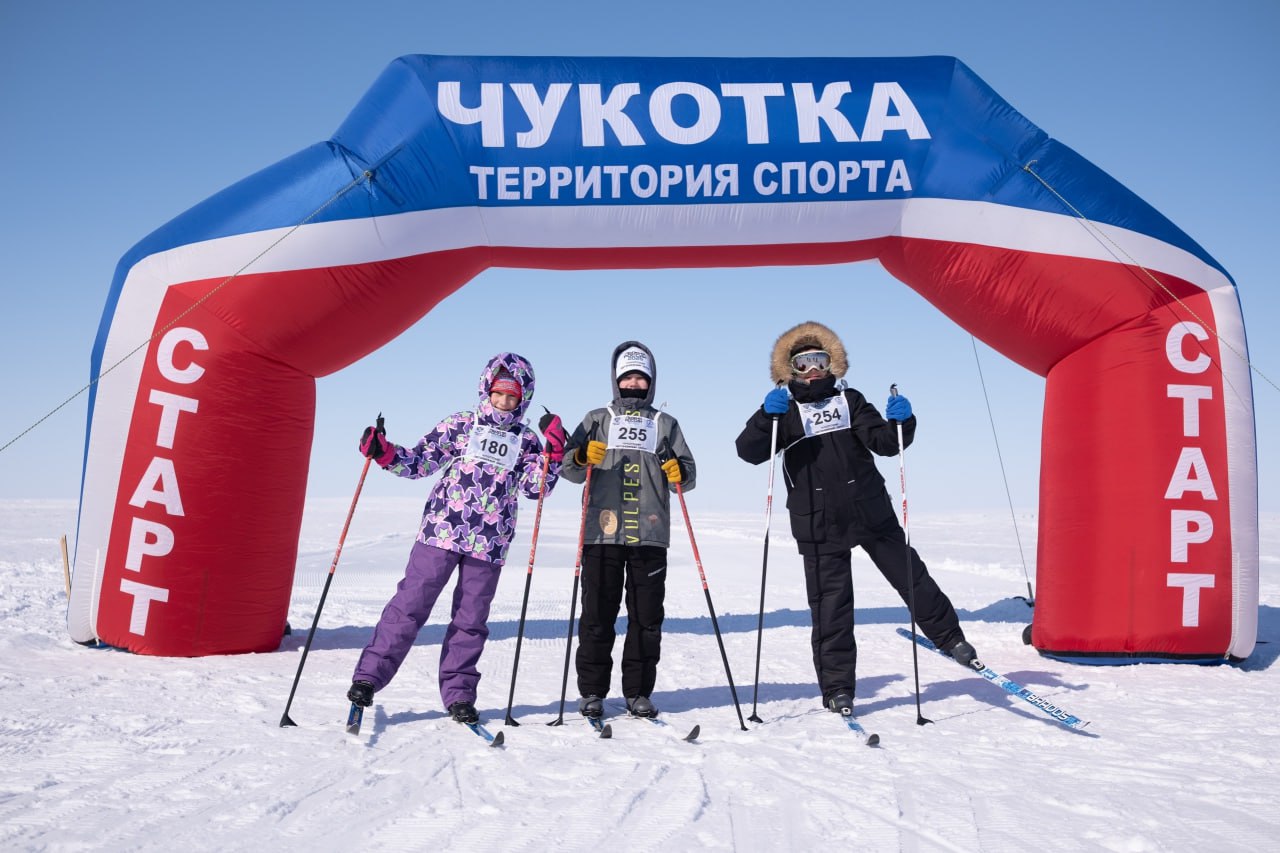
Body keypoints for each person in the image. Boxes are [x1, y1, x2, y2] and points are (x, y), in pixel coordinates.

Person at [734, 321, 975, 717]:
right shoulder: (785, 411)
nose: (813, 370)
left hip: (869, 510)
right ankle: (838, 688)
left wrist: (902, 423)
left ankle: (952, 640)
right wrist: (765, 417)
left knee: (912, 577)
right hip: (818, 522)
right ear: (790, 370)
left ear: (832, 363)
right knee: (832, 607)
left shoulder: (850, 401)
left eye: (819, 360)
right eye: (803, 363)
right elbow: (748, 451)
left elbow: (886, 443)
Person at [346, 352, 566, 725]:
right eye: (498, 393)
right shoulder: (461, 425)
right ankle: (368, 678)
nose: (504, 402)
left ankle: (459, 694)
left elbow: (535, 488)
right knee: (409, 605)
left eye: (512, 396)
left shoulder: (528, 440)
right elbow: (420, 462)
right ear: (487, 390)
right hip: (441, 531)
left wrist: (553, 455)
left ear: (523, 398)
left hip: (490, 543)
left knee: (471, 619)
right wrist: (385, 453)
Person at [559, 341, 696, 720]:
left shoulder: (665, 423)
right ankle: (592, 692)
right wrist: (581, 456)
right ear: (616, 379)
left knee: (647, 618)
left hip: (649, 532)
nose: (634, 384)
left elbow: (688, 475)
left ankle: (638, 692)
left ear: (651, 381)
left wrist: (678, 472)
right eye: (627, 377)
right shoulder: (596, 418)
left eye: (641, 378)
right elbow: (568, 469)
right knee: (597, 615)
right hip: (602, 531)